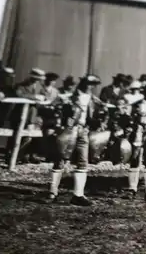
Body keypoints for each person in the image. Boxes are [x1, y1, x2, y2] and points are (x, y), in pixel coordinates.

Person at [47, 74, 102, 206]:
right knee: (60, 159)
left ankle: (78, 194)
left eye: (93, 84)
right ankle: (52, 192)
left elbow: (96, 117)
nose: (90, 86)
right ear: (83, 83)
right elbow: (55, 109)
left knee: (83, 161)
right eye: (88, 83)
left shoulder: (93, 100)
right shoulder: (70, 98)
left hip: (83, 131)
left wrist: (96, 122)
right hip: (69, 130)